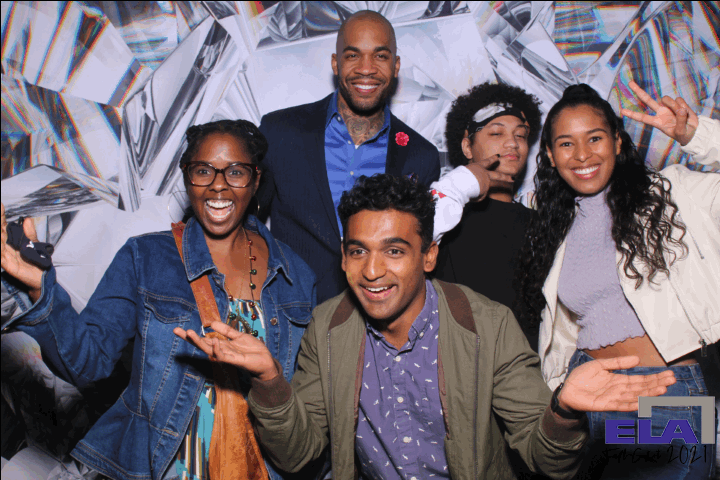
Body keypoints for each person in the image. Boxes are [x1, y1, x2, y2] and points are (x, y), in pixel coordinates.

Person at [176, 174, 677, 480]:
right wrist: (269, 382)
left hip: (675, 395)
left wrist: (564, 411)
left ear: (429, 255)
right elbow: (298, 455)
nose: (373, 271)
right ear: (343, 258)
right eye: (358, 251)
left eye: (395, 250)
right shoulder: (327, 328)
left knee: (691, 436)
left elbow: (546, 460)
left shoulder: (488, 325)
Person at [0, 120, 318, 480]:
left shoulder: (297, 276)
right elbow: (87, 363)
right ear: (186, 176)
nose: (218, 184)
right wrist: (41, 291)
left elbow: (302, 413)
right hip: (163, 469)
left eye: (235, 171)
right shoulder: (145, 257)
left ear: (256, 179)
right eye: (203, 170)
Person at [514, 81, 719, 479]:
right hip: (591, 397)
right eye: (566, 144)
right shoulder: (556, 227)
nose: (582, 154)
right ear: (551, 155)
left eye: (595, 138)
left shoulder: (675, 194)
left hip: (665, 392)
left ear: (618, 141)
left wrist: (695, 136)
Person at [257, 10, 440, 303]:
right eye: (353, 55)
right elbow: (245, 225)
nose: (366, 69)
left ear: (396, 66)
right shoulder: (280, 132)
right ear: (336, 63)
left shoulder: (420, 156)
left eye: (380, 56)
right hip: (291, 313)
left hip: (377, 317)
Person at [433, 82, 543, 350]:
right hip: (458, 363)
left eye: (521, 135)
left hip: (526, 367)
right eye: (496, 132)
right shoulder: (446, 219)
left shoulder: (540, 224)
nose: (512, 143)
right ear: (467, 146)